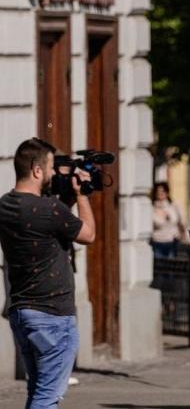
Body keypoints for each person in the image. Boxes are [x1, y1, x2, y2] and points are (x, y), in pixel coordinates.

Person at [0, 138, 96, 409]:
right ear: (37, 170)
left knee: (38, 390)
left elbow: (44, 223)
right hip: (53, 315)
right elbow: (88, 234)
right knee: (46, 398)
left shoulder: (5, 205)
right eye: (52, 168)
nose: (54, 174)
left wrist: (65, 199)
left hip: (22, 312)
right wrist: (82, 196)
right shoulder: (50, 210)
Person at [151, 182, 185, 259]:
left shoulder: (174, 206)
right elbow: (157, 223)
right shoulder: (151, 207)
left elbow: (180, 221)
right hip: (157, 243)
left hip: (172, 242)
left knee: (171, 268)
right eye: (158, 191)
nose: (160, 193)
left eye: (163, 191)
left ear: (167, 192)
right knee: (159, 269)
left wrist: (183, 235)